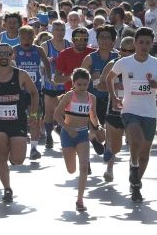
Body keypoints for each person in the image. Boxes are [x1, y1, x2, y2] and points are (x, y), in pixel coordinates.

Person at [106, 27, 157, 203]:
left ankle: (136, 184)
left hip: (149, 113)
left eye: (147, 43)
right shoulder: (124, 62)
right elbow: (109, 78)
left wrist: (155, 84)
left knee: (145, 153)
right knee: (136, 139)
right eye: (140, 42)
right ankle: (133, 167)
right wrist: (113, 98)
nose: (143, 46)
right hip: (129, 110)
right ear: (134, 43)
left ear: (152, 44)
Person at [0, 44, 38, 202]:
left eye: (7, 53)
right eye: (0, 53)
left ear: (12, 56)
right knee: (0, 157)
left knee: (18, 160)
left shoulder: (21, 75)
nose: (4, 56)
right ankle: (7, 188)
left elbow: (34, 93)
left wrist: (34, 113)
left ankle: (13, 156)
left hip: (18, 122)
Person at [53, 68, 100, 212]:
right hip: (67, 134)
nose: (82, 87)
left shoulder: (92, 98)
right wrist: (67, 129)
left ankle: (80, 199)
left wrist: (98, 127)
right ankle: (71, 152)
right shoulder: (69, 96)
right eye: (79, 84)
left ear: (89, 84)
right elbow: (56, 115)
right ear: (73, 83)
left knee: (84, 168)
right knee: (71, 170)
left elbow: (93, 116)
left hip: (82, 135)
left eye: (85, 85)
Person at [97, 37, 135, 182]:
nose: (126, 53)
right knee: (116, 145)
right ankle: (109, 169)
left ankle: (134, 171)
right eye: (123, 50)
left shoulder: (140, 65)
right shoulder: (112, 65)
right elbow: (100, 85)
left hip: (134, 109)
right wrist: (115, 87)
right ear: (119, 51)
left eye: (130, 51)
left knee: (133, 142)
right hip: (115, 109)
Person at [13, 25, 51, 160]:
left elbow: (47, 63)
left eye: (30, 37)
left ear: (34, 37)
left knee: (35, 116)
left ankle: (34, 148)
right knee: (17, 118)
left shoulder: (38, 50)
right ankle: (17, 144)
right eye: (24, 37)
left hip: (34, 90)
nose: (27, 40)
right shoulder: (15, 50)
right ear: (19, 38)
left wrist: (49, 77)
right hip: (18, 91)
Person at [81, 25, 118, 156]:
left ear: (113, 41)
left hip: (112, 99)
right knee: (98, 133)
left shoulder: (118, 57)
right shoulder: (90, 58)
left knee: (110, 129)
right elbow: (80, 78)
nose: (104, 40)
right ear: (97, 40)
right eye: (101, 37)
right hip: (93, 100)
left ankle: (107, 145)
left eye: (108, 38)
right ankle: (93, 138)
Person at [41, 21, 68, 148]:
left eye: (62, 29)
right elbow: (39, 65)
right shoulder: (45, 45)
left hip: (65, 84)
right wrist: (47, 62)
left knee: (64, 112)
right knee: (49, 112)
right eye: (56, 29)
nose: (59, 32)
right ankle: (48, 136)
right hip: (50, 84)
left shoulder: (69, 45)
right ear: (52, 31)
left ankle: (60, 129)